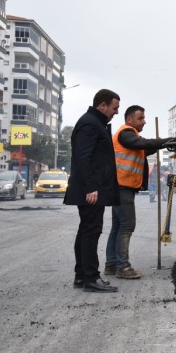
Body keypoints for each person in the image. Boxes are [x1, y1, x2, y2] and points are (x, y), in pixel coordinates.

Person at [104, 105, 176, 279]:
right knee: (127, 225)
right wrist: (170, 140)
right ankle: (123, 267)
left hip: (121, 186)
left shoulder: (131, 136)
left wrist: (166, 144)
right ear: (130, 120)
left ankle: (111, 265)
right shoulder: (126, 133)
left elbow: (146, 147)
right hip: (122, 187)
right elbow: (144, 143)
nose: (144, 121)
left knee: (117, 227)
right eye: (140, 118)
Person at [64, 89, 121, 293]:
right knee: (91, 232)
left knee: (85, 231)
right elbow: (82, 157)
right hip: (91, 190)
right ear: (102, 105)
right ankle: (91, 278)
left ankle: (81, 276)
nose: (115, 112)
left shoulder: (95, 122)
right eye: (114, 108)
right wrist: (91, 187)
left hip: (92, 188)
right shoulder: (90, 123)